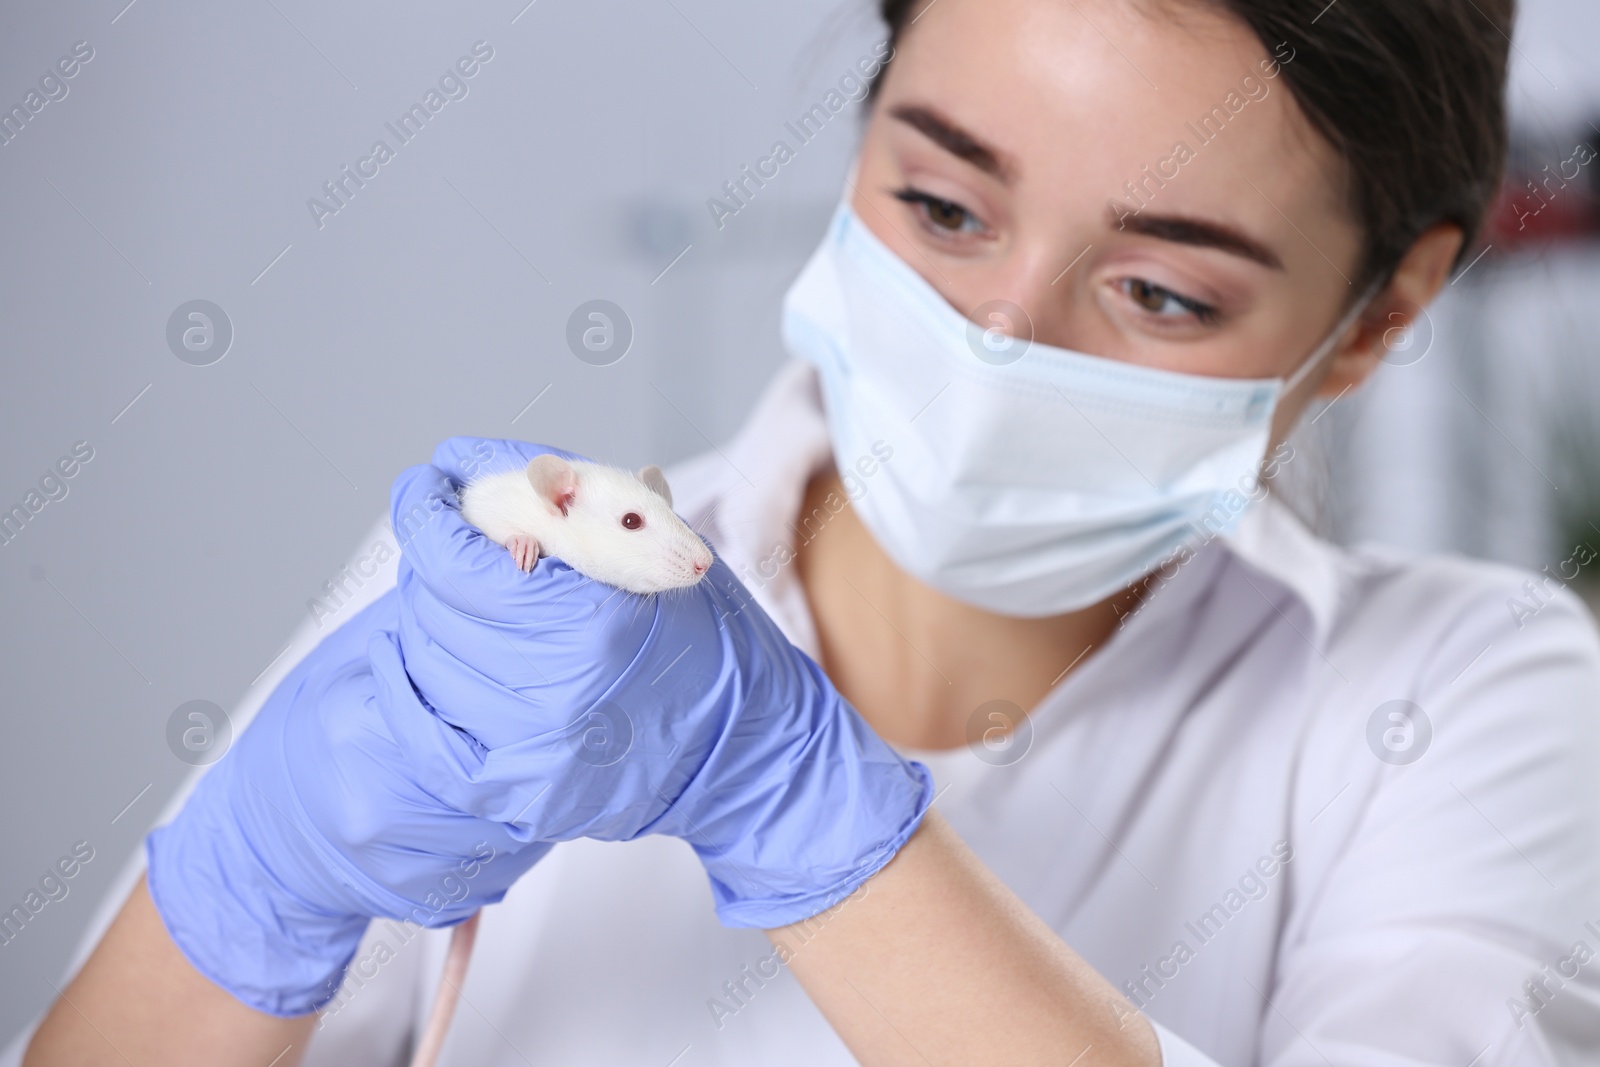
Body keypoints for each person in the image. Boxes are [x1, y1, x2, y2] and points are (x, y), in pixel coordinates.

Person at [23, 0, 1600, 1063]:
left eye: (1163, 292)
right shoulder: (527, 604)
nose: (998, 337)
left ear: (1383, 311)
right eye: (943, 207)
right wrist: (246, 884)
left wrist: (795, 806)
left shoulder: (1464, 697)